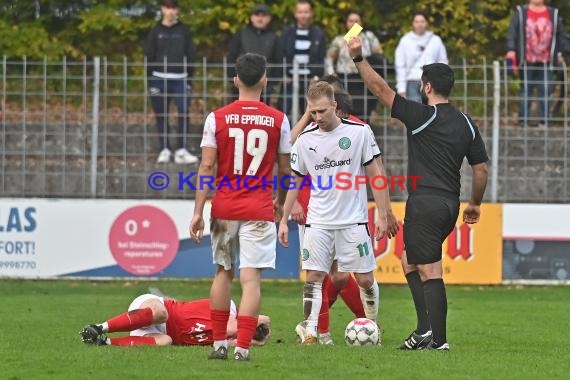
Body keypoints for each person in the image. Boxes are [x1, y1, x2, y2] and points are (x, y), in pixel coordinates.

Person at [348, 36, 489, 351]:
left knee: (429, 268)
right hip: (449, 204)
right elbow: (480, 170)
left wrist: (358, 58)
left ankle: (438, 341)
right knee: (409, 260)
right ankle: (424, 330)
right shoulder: (467, 123)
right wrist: (475, 204)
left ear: (426, 87)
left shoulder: (423, 116)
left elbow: (381, 90)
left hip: (425, 202)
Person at [189, 53, 291, 361]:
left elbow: (207, 166)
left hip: (224, 208)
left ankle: (219, 344)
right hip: (259, 209)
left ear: (235, 80)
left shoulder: (216, 117)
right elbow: (286, 170)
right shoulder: (278, 119)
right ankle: (243, 348)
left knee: (223, 272)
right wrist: (280, 202)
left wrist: (197, 211)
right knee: (251, 279)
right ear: (264, 81)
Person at [278, 81, 390, 345]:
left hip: (353, 221)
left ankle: (372, 326)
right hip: (318, 221)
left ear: (335, 106)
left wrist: (383, 213)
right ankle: (311, 332)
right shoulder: (306, 139)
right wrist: (283, 218)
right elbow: (294, 180)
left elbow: (376, 174)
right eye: (313, 112)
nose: (317, 117)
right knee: (314, 278)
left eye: (322, 111)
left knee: (364, 280)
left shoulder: (360, 132)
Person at [79, 294, 271, 347]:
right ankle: (99, 327)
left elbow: (235, 339)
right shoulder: (227, 306)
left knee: (166, 342)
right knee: (161, 314)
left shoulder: (224, 341)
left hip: (160, 332)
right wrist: (259, 320)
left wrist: (254, 341)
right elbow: (233, 327)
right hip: (155, 308)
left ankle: (104, 342)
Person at [144, 0, 198, 164]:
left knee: (183, 113)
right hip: (159, 79)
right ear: (162, 9)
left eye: (173, 8)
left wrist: (189, 79)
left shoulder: (184, 31)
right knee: (161, 115)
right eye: (167, 7)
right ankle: (164, 149)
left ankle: (181, 150)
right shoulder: (155, 31)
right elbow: (149, 56)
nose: (170, 11)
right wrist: (151, 80)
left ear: (177, 10)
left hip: (180, 80)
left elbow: (190, 55)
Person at [505, 0, 569, 127]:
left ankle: (544, 122)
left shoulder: (553, 14)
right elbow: (513, 32)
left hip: (547, 61)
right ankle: (523, 122)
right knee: (526, 90)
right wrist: (511, 50)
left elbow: (561, 36)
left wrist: (561, 53)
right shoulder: (520, 12)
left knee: (545, 90)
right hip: (526, 60)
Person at [325, 10, 384, 122]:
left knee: (363, 114)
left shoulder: (370, 38)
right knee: (343, 113)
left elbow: (379, 56)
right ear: (346, 23)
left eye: (356, 21)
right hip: (344, 80)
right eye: (350, 21)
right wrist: (332, 76)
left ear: (362, 22)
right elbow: (329, 58)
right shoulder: (339, 40)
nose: (353, 23)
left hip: (364, 80)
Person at [226, 4, 282, 103]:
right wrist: (233, 80)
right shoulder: (241, 34)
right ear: (252, 17)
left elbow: (278, 62)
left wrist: (272, 84)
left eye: (263, 15)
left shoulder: (274, 37)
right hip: (239, 87)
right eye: (257, 15)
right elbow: (231, 56)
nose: (260, 18)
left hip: (264, 88)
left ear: (269, 18)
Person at [281, 0, 327, 116]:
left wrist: (316, 76)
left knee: (310, 115)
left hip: (311, 81)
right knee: (285, 113)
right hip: (290, 80)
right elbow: (282, 55)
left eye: (306, 12)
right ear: (295, 14)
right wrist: (285, 74)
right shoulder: (287, 33)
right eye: (300, 12)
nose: (303, 15)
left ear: (311, 13)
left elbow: (321, 57)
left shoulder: (318, 33)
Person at [394, 12, 448, 103]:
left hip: (430, 82)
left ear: (427, 23)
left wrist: (439, 80)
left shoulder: (435, 40)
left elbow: (443, 61)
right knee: (414, 113)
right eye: (417, 22)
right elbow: (400, 65)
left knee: (430, 111)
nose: (419, 24)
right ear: (413, 23)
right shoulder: (405, 40)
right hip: (411, 81)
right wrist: (401, 87)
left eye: (422, 21)